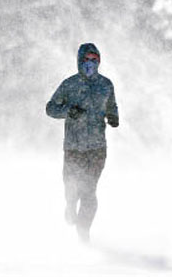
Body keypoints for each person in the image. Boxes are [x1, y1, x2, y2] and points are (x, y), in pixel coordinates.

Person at [46, 42, 119, 242]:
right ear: (79, 61)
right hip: (73, 148)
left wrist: (113, 117)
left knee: (89, 191)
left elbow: (112, 106)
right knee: (72, 189)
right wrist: (68, 110)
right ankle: (70, 206)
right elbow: (50, 108)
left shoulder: (106, 84)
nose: (90, 63)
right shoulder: (69, 84)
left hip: (97, 149)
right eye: (86, 59)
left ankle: (83, 231)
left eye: (94, 60)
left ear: (99, 62)